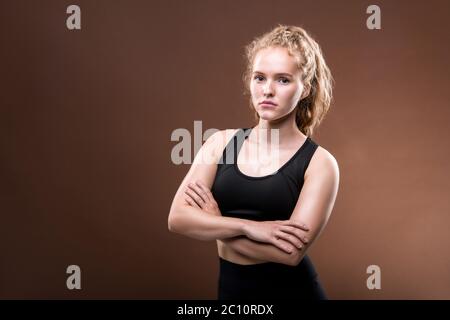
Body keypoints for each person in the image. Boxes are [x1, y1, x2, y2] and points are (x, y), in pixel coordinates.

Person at [168, 24, 339, 300]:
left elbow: (290, 254)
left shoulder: (320, 163)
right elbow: (177, 218)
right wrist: (249, 227)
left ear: (305, 88)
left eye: (283, 80)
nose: (268, 90)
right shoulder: (220, 142)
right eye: (260, 78)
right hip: (232, 293)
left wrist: (216, 224)